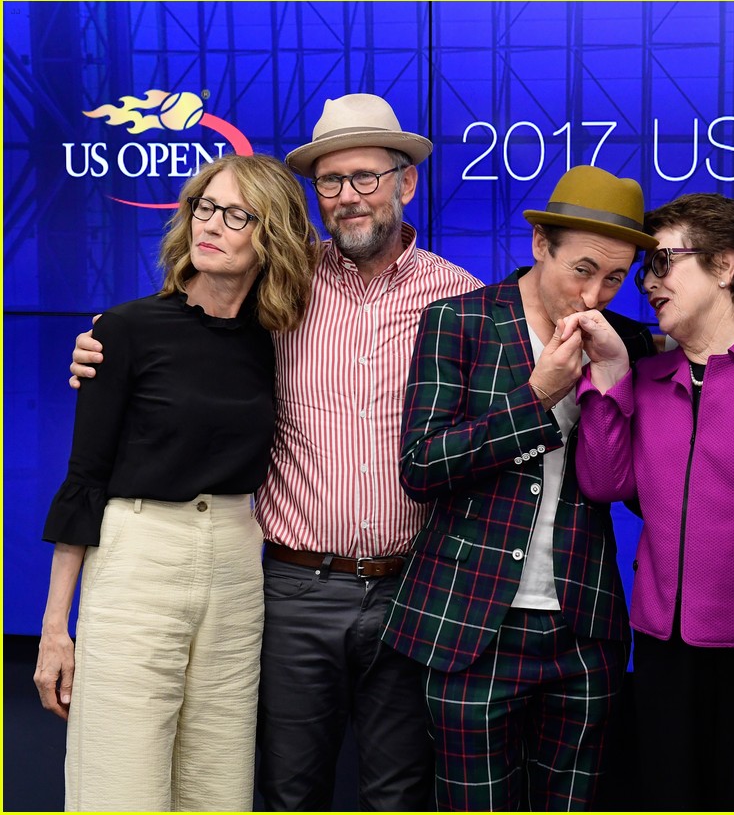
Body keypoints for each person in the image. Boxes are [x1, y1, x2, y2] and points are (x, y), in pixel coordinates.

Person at [69, 93, 483, 810]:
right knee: (286, 790)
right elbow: (188, 324)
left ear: (406, 181)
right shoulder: (281, 283)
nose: (348, 197)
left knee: (402, 790)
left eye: (365, 177)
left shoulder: (461, 298)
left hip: (410, 587)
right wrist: (105, 344)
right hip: (292, 589)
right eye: (330, 181)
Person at [36, 153, 317, 811]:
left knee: (217, 787)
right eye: (204, 207)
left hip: (235, 564)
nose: (211, 224)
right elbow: (84, 479)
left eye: (236, 214)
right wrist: (56, 627)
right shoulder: (126, 330)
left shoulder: (275, 339)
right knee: (120, 781)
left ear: (268, 235)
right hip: (138, 555)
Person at [382, 165, 656, 811]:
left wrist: (613, 380)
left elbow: (638, 485)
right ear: (540, 245)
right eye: (582, 269)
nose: (595, 294)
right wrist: (538, 397)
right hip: (469, 625)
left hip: (583, 627)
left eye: (614, 278)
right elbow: (422, 466)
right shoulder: (461, 321)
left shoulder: (631, 342)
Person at [569, 193, 734, 809]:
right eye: (646, 269)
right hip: (662, 644)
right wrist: (611, 379)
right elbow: (602, 481)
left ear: (725, 267)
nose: (648, 283)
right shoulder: (647, 377)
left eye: (664, 263)